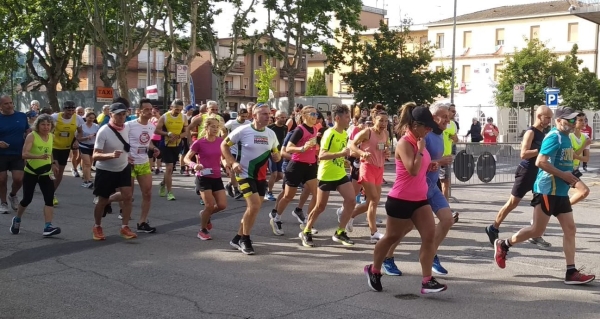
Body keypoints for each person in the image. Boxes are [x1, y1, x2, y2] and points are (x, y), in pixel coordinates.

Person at [494, 106, 595, 285]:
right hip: (547, 190)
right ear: (558, 121)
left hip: (561, 191)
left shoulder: (566, 138)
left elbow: (566, 160)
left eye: (574, 120)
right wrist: (564, 175)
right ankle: (504, 244)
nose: (572, 123)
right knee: (536, 230)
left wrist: (570, 175)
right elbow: (540, 161)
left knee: (570, 229)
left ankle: (571, 272)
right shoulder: (553, 137)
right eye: (568, 120)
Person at [364, 103, 447, 294]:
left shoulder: (420, 141)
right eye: (425, 127)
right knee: (391, 236)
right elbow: (412, 169)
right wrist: (419, 150)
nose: (428, 130)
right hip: (400, 199)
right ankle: (374, 269)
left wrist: (431, 165)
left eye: (429, 127)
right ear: (414, 124)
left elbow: (421, 168)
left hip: (419, 199)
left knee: (429, 237)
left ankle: (427, 280)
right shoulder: (405, 143)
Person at [485, 106, 554, 247]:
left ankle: (536, 234)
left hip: (538, 173)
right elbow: (523, 154)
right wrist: (540, 150)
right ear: (539, 116)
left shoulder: (543, 133)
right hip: (526, 172)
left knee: (539, 205)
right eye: (547, 117)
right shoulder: (531, 132)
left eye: (550, 118)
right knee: (513, 203)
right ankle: (493, 227)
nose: (549, 120)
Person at [221, 104, 280, 255]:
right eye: (264, 114)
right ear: (254, 116)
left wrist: (277, 156)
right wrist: (232, 162)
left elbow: (276, 153)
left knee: (254, 209)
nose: (268, 117)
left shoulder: (271, 134)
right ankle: (245, 239)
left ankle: (237, 237)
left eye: (269, 114)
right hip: (244, 174)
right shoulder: (243, 130)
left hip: (260, 176)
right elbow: (224, 145)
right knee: (253, 206)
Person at [299, 104, 356, 247]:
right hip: (326, 175)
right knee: (320, 207)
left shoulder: (344, 134)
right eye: (347, 117)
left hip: (340, 173)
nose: (349, 119)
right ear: (337, 118)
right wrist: (341, 154)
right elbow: (322, 155)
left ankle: (340, 232)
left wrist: (345, 161)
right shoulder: (330, 133)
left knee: (351, 201)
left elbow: (340, 153)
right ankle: (306, 231)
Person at [269, 107, 319, 235]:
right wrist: (303, 148)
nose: (315, 116)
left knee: (316, 194)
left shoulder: (314, 129)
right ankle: (276, 218)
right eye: (312, 114)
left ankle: (308, 222)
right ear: (304, 115)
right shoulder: (299, 130)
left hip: (311, 165)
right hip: (296, 165)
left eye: (316, 113)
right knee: (288, 196)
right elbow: (289, 148)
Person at [91, 102, 136, 241]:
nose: (122, 117)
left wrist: (128, 158)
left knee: (128, 196)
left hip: (123, 167)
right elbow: (95, 155)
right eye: (118, 114)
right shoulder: (104, 131)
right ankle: (97, 226)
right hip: (106, 170)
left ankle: (125, 227)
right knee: (102, 200)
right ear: (111, 114)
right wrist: (110, 155)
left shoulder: (127, 128)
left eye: (124, 114)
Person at [10, 114, 60, 236]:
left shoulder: (51, 136)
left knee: (49, 199)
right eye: (43, 124)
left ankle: (48, 226)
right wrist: (39, 157)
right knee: (27, 199)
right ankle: (17, 219)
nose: (46, 127)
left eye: (48, 125)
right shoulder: (32, 136)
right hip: (31, 172)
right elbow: (24, 154)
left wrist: (53, 163)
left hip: (46, 172)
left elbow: (50, 151)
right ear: (37, 125)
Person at [347, 112, 391, 244]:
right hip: (367, 168)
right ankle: (373, 233)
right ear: (374, 120)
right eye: (380, 120)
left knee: (372, 202)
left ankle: (349, 215)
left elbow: (386, 145)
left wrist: (387, 151)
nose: (383, 124)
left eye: (385, 121)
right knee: (374, 199)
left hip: (379, 168)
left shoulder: (386, 133)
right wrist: (361, 152)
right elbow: (351, 145)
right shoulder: (367, 132)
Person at [185, 117, 227, 240]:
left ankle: (205, 215)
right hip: (203, 177)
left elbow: (223, 157)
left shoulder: (220, 141)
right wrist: (194, 165)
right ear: (206, 127)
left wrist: (226, 166)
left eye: (217, 127)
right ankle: (202, 230)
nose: (215, 129)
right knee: (209, 205)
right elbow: (186, 158)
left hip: (216, 176)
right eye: (212, 126)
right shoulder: (199, 142)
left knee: (222, 205)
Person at [122, 98, 159, 233]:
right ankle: (106, 201)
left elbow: (147, 142)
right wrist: (125, 156)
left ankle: (142, 222)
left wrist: (153, 148)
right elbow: (121, 142)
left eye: (151, 109)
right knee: (127, 196)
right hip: (129, 164)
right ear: (139, 111)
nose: (150, 112)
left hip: (143, 163)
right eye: (147, 109)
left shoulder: (151, 126)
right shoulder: (129, 125)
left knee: (148, 193)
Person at [0, 95, 30, 214]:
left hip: (18, 153)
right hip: (1, 154)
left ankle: (12, 195)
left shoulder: (21, 116)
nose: (10, 105)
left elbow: (27, 130)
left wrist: (29, 135)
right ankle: (3, 202)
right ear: (0, 106)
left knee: (18, 179)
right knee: (1, 180)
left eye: (11, 102)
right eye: (6, 103)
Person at [51, 100, 84, 206]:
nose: (70, 112)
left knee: (60, 172)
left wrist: (77, 140)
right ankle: (50, 193)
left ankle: (52, 192)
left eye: (72, 110)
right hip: (53, 147)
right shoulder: (55, 117)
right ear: (63, 109)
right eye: (68, 109)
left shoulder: (77, 119)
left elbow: (80, 132)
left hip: (65, 148)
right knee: (55, 170)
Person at [155, 99, 188, 201]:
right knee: (169, 168)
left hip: (177, 145)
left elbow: (186, 132)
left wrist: (179, 136)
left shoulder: (184, 117)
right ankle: (170, 192)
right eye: (176, 109)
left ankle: (163, 183)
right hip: (166, 145)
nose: (178, 111)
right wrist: (167, 134)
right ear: (171, 107)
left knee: (171, 169)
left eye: (180, 109)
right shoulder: (164, 117)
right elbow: (156, 130)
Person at [223, 108, 250, 199]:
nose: (244, 118)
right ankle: (236, 190)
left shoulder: (248, 123)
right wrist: (225, 138)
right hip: (231, 149)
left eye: (245, 116)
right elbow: (222, 130)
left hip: (242, 150)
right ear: (238, 115)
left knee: (240, 170)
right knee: (233, 170)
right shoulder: (231, 123)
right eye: (242, 116)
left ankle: (229, 184)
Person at [265, 110, 288, 201]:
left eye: (285, 117)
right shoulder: (270, 128)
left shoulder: (285, 127)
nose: (284, 119)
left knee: (280, 176)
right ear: (276, 117)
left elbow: (284, 140)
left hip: (280, 153)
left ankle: (266, 186)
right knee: (274, 174)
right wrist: (271, 152)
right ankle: (269, 192)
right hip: (271, 153)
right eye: (282, 117)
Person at [78, 110, 99, 188]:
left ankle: (85, 179)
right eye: (90, 118)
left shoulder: (96, 126)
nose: (91, 119)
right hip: (83, 146)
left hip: (92, 147)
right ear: (86, 118)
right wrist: (87, 137)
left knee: (88, 164)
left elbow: (100, 135)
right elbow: (78, 138)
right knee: (87, 164)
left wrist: (95, 135)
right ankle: (88, 181)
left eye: (93, 118)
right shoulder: (82, 126)